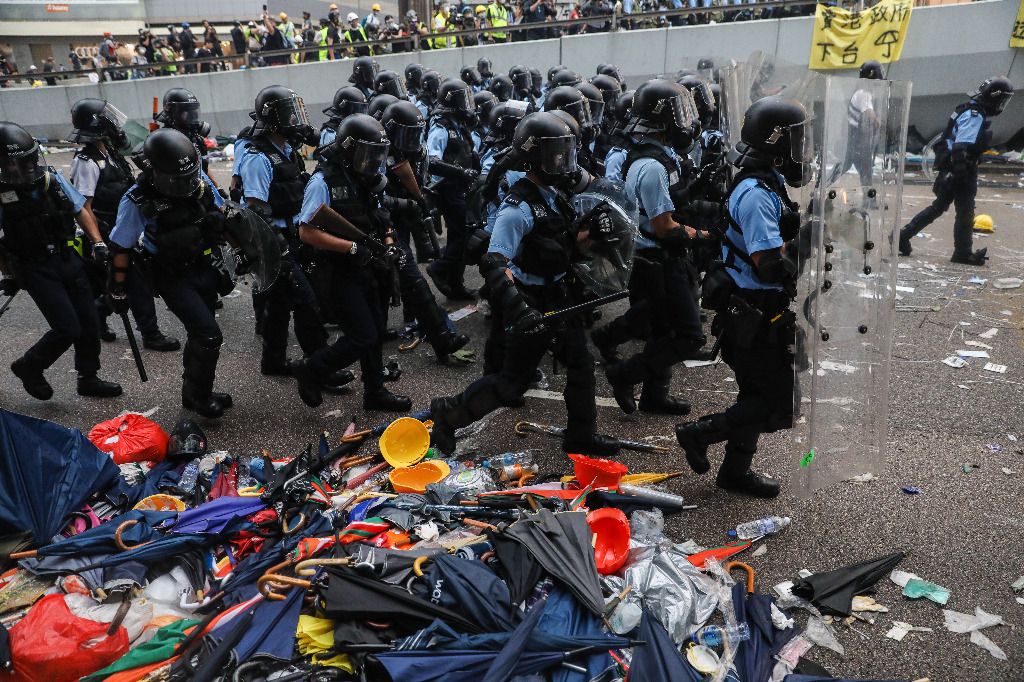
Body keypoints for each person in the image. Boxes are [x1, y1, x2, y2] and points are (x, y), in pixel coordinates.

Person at [428, 111, 621, 458]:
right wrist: (519, 308)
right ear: (536, 158)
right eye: (556, 153)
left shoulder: (556, 194)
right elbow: (493, 262)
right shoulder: (516, 208)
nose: (564, 161)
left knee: (580, 367)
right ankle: (448, 413)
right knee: (510, 383)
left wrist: (594, 236)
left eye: (566, 151)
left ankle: (581, 436)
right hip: (531, 302)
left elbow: (560, 247)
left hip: (561, 297)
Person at [675, 96, 813, 499]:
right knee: (781, 406)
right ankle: (698, 433)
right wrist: (808, 237)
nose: (802, 149)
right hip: (752, 313)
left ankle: (734, 473)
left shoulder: (768, 181)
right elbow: (768, 265)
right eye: (796, 139)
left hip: (760, 311)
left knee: (756, 396)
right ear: (775, 142)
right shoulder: (755, 193)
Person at [594, 79, 707, 416]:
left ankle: (655, 396)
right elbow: (663, 226)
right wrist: (702, 235)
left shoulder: (651, 155)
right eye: (679, 112)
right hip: (656, 259)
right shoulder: (652, 166)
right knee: (689, 335)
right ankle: (624, 375)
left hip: (650, 257)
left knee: (662, 329)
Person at [291, 113, 412, 412]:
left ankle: (375, 392)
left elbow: (381, 220)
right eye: (368, 154)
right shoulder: (323, 181)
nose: (373, 161)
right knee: (362, 335)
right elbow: (306, 231)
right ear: (349, 149)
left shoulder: (368, 180)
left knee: (375, 332)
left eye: (377, 154)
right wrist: (351, 247)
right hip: (336, 271)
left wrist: (390, 245)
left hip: (368, 267)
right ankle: (312, 369)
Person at [108, 129, 232, 417]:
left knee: (199, 332)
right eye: (176, 180)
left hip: (203, 266)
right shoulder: (138, 199)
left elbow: (223, 210)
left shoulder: (197, 182)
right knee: (208, 334)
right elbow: (120, 247)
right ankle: (200, 396)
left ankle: (193, 391)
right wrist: (118, 288)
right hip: (171, 274)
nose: (184, 185)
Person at [0, 121, 122, 401]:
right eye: (14, 164)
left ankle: (88, 378)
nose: (24, 168)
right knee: (67, 327)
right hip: (35, 267)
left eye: (27, 161)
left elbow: (81, 210)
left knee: (89, 321)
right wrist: (7, 273)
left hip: (69, 258)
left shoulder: (51, 179)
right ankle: (29, 365)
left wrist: (98, 243)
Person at [237, 86, 335, 378]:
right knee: (306, 302)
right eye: (290, 113)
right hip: (273, 243)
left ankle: (274, 362)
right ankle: (321, 368)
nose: (297, 119)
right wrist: (279, 248)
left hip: (292, 235)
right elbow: (256, 209)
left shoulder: (288, 149)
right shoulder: (258, 157)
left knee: (279, 306)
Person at [69, 98, 179, 352]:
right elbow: (83, 206)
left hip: (126, 223)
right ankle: (150, 333)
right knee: (137, 281)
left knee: (126, 280)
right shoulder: (87, 162)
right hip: (108, 229)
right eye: (107, 118)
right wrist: (97, 241)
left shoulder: (111, 152)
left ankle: (98, 311)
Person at [381, 100, 471, 362]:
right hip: (379, 225)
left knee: (409, 278)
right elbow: (371, 198)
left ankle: (440, 337)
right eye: (406, 134)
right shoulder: (379, 155)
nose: (411, 140)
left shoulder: (415, 154)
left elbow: (426, 173)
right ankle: (440, 336)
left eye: (414, 133)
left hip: (401, 221)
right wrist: (406, 202)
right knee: (392, 281)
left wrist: (421, 199)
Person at [899, 76, 1013, 265]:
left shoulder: (968, 108)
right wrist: (960, 173)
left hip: (952, 167)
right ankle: (962, 253)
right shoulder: (975, 114)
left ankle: (903, 236)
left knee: (939, 207)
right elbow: (961, 146)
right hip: (960, 168)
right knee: (965, 212)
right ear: (994, 97)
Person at [424, 79, 481, 300]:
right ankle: (438, 268)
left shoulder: (459, 124)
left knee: (461, 234)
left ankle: (456, 285)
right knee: (463, 235)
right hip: (447, 189)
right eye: (463, 99)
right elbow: (432, 159)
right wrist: (460, 172)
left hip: (462, 188)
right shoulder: (441, 126)